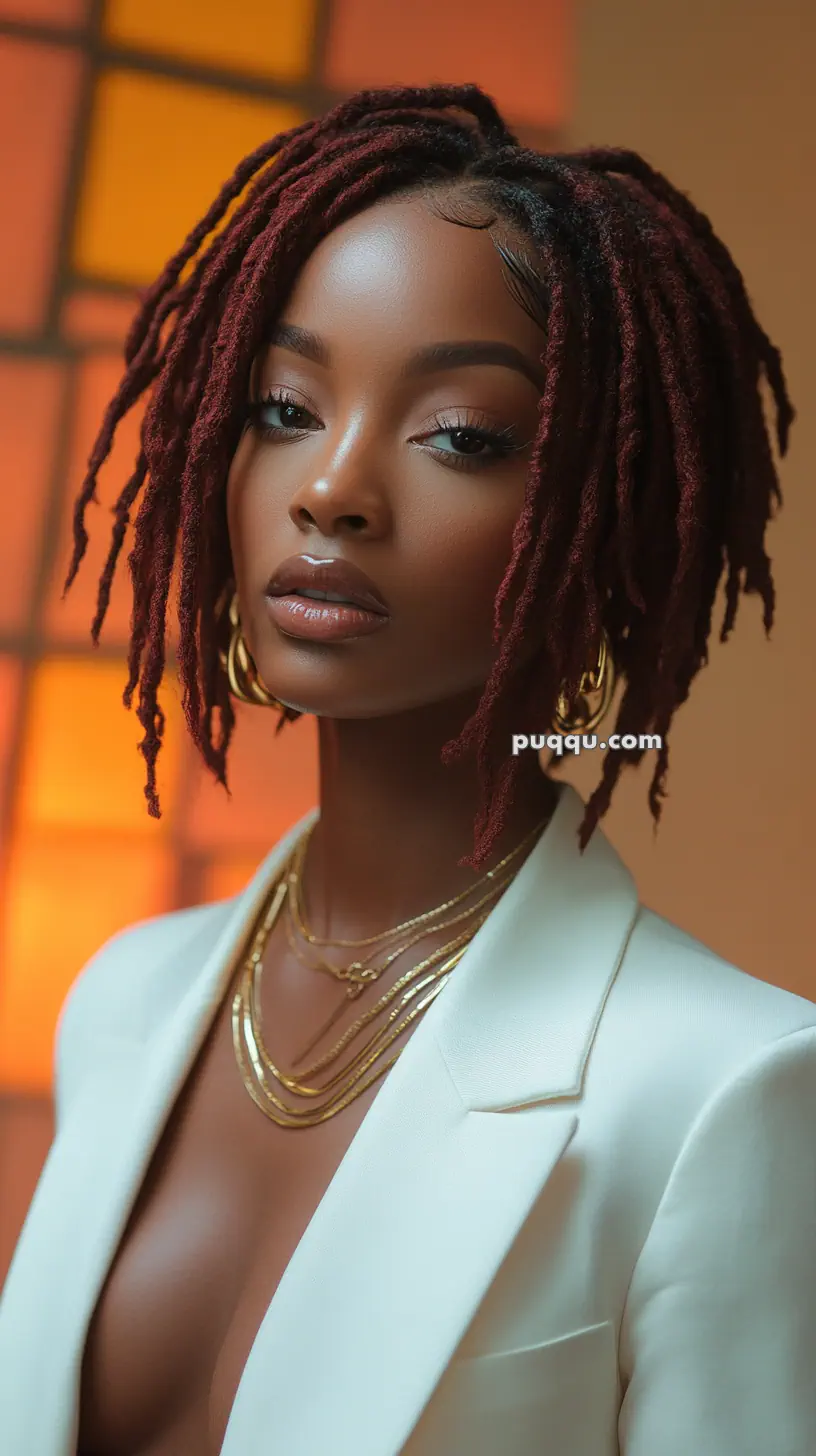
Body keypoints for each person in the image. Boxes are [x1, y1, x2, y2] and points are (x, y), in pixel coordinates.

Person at [0, 82, 814, 1456]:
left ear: (601, 519)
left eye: (460, 435)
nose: (335, 486)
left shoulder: (725, 1091)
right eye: (282, 406)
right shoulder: (126, 1003)